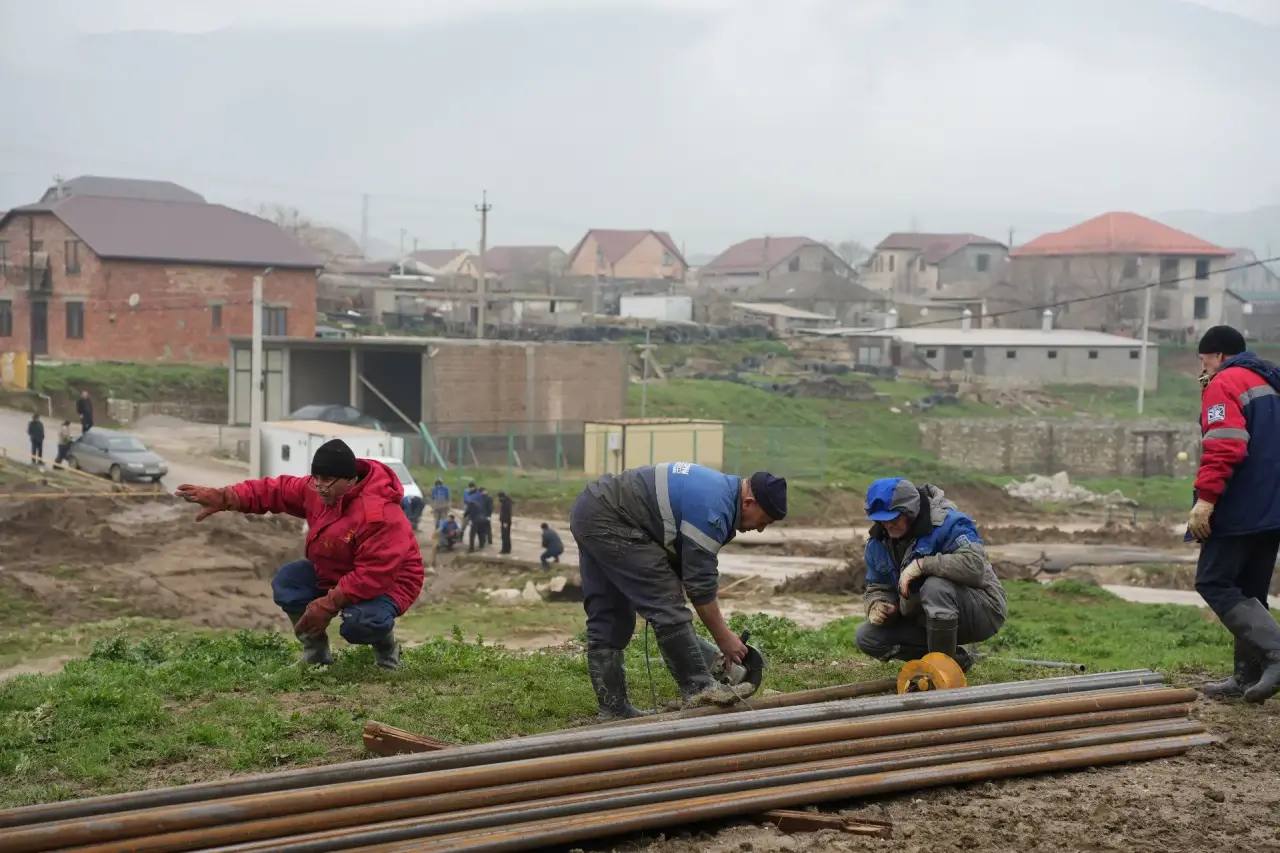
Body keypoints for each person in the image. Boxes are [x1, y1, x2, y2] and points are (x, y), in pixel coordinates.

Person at [175, 439, 424, 670]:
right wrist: (224, 497)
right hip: (337, 569)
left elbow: (373, 575)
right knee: (289, 582)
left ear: (349, 480)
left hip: (389, 581)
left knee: (361, 621)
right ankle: (316, 656)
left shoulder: (379, 514)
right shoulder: (317, 490)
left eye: (327, 480)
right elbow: (275, 491)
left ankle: (387, 654)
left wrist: (326, 605)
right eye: (316, 478)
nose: (319, 486)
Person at [570, 462, 787, 719]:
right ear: (750, 502)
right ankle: (700, 689)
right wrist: (724, 638)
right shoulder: (714, 511)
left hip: (591, 509)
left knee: (610, 615)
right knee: (667, 606)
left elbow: (683, 562)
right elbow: (700, 586)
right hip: (614, 518)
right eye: (765, 521)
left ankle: (613, 709)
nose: (760, 529)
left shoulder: (720, 493)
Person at [1187, 325, 1280, 704]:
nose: (1203, 369)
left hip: (1240, 505)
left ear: (1219, 355)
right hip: (1273, 508)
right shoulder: (1271, 382)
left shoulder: (1225, 383)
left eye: (1204, 360)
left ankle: (1275, 652)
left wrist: (1206, 499)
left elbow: (1225, 444)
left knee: (1213, 582)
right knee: (1251, 589)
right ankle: (1248, 677)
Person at [855, 477, 1006, 672]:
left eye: (894, 518)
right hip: (923, 617)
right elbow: (877, 586)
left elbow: (974, 566)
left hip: (981, 611)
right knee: (867, 637)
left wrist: (922, 565)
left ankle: (941, 670)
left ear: (910, 511)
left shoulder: (949, 524)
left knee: (935, 587)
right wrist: (878, 604)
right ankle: (954, 662)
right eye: (882, 521)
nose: (888, 525)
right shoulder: (877, 543)